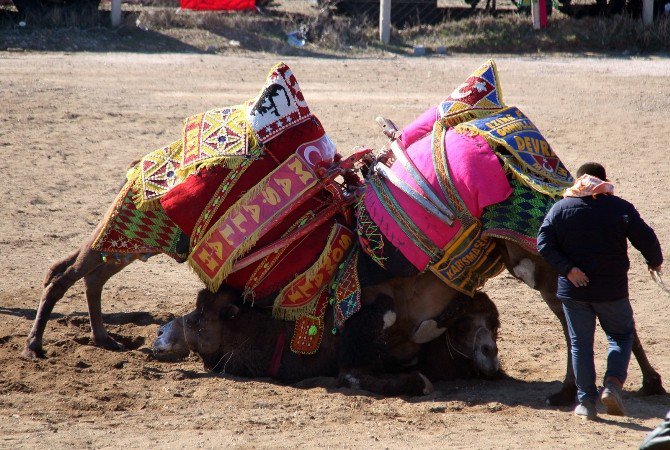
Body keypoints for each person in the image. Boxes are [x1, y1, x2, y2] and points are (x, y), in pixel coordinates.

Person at [537, 162, 664, 420]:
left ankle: (586, 403)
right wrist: (655, 261)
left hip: (574, 292)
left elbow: (543, 243)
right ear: (604, 181)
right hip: (612, 291)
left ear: (577, 181)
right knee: (619, 336)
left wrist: (569, 269)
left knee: (580, 345)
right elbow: (647, 238)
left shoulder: (560, 208)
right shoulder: (620, 209)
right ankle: (613, 386)